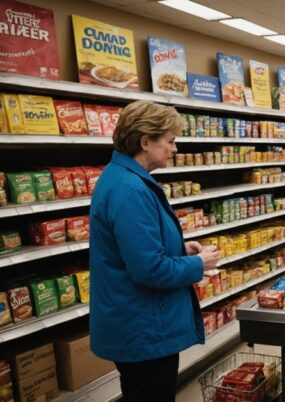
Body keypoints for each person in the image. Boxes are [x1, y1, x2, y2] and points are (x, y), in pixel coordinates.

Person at [89, 100, 220, 401]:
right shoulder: (131, 190)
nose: (175, 149)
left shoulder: (123, 178)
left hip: (135, 321)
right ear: (145, 141)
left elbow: (133, 248)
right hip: (142, 326)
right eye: (171, 141)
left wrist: (179, 248)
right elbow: (149, 269)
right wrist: (199, 263)